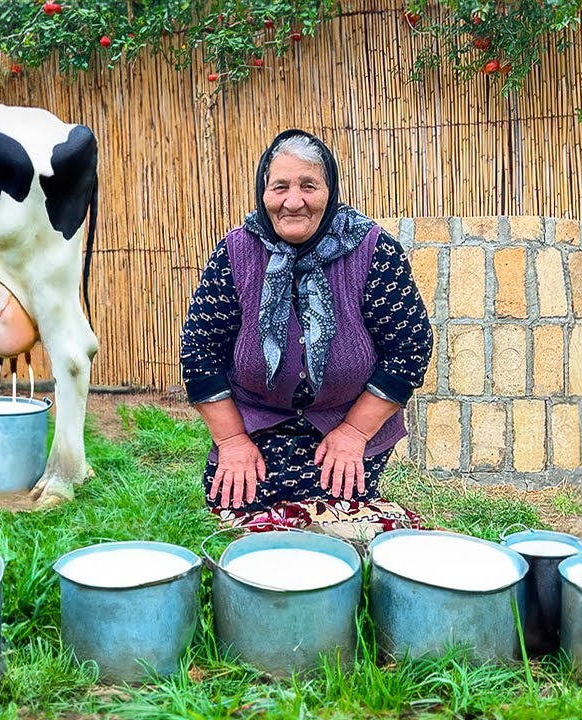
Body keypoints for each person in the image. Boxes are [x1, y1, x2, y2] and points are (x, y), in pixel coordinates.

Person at [179, 129, 433, 533]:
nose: (293, 201)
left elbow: (410, 347)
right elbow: (199, 352)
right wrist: (230, 442)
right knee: (234, 520)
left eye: (308, 186)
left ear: (329, 192)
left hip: (346, 421)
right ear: (263, 192)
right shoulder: (236, 252)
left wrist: (353, 433)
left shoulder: (373, 248)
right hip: (253, 425)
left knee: (338, 527)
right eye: (280, 186)